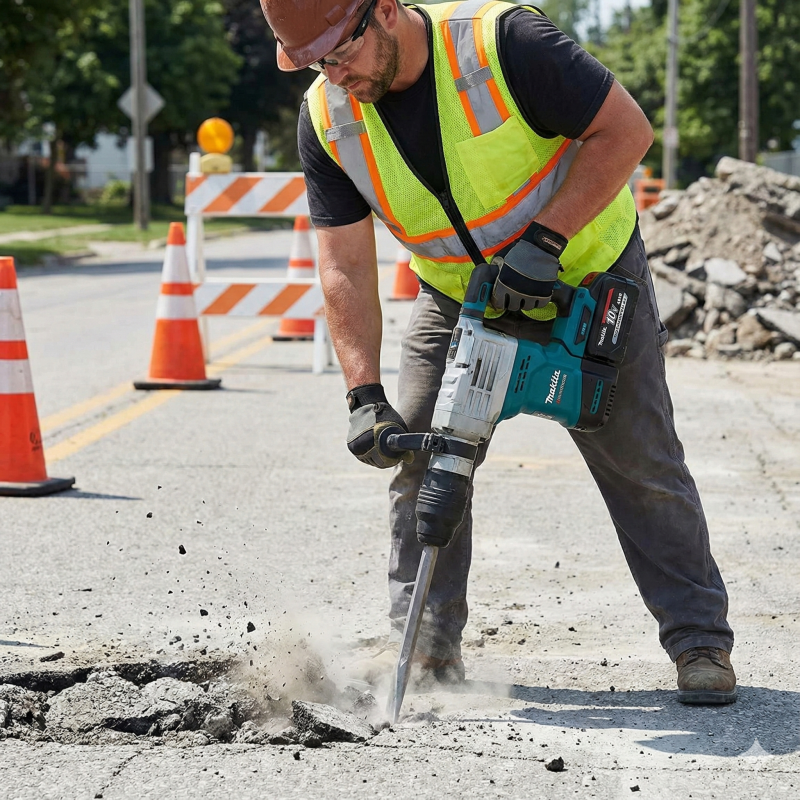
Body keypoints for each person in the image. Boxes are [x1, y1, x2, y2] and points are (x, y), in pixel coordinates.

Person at [260, 0, 737, 704]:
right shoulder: (327, 119)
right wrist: (363, 395)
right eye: (315, 63)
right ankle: (425, 651)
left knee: (642, 465)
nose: (334, 75)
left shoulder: (504, 43)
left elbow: (625, 130)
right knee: (422, 459)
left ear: (385, 10)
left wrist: (544, 241)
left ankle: (700, 643)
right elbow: (344, 267)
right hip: (459, 296)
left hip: (587, 277)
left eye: (340, 53)